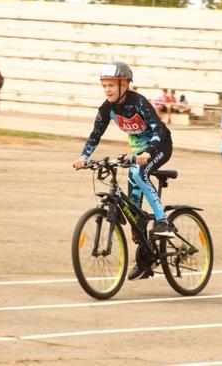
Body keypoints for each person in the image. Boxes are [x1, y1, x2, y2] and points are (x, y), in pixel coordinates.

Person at [72, 61, 174, 281]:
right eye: (104, 85)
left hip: (159, 147)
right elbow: (95, 134)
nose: (107, 89)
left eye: (111, 85)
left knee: (139, 173)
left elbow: (157, 129)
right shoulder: (107, 108)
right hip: (138, 153)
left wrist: (149, 152)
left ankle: (162, 219)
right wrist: (84, 157)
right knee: (135, 213)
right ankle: (146, 260)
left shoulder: (139, 103)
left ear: (125, 84)